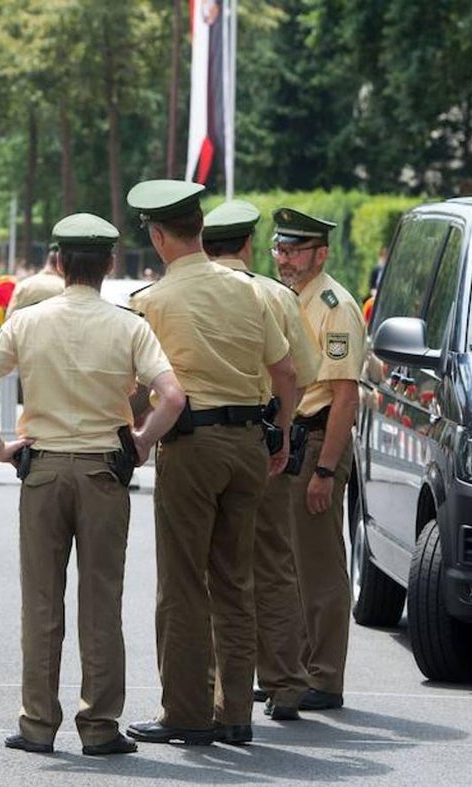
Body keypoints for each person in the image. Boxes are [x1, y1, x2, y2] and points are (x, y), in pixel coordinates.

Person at [0, 212, 186, 757]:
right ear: (109, 264)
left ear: (58, 263)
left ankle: (38, 724)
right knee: (101, 601)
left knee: (41, 602)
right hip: (104, 471)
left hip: (43, 469)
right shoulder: (129, 324)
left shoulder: (29, 321)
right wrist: (143, 440)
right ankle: (100, 727)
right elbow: (173, 396)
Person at [124, 180, 297, 748]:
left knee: (181, 583)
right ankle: (235, 714)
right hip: (249, 442)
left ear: (156, 235)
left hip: (191, 448)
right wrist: (283, 432)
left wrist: (131, 435)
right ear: (201, 230)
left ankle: (186, 713)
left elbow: (128, 385)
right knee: (233, 579)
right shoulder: (250, 292)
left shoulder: (151, 301)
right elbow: (287, 375)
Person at [201, 200, 321, 722]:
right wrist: (287, 431)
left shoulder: (188, 292)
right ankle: (286, 682)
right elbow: (305, 371)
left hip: (200, 441)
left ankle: (214, 688)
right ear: (249, 244)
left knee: (209, 567)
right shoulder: (276, 295)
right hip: (264, 437)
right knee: (272, 561)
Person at [270, 207, 368, 711]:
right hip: (293, 440)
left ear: (320, 254)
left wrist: (326, 471)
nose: (283, 259)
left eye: (293, 250)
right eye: (279, 249)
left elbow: (345, 396)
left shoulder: (335, 306)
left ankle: (325, 677)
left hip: (316, 442)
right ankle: (298, 665)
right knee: (288, 561)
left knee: (320, 565)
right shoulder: (288, 298)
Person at [4, 244, 65, 318]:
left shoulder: (24, 285)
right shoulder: (64, 287)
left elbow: (9, 319)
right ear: (60, 264)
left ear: (47, 261)